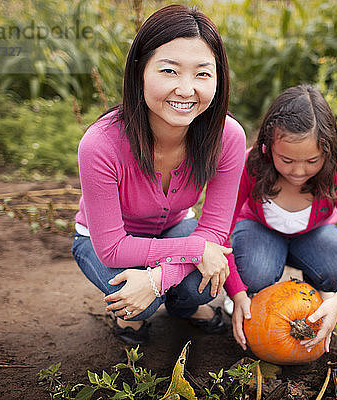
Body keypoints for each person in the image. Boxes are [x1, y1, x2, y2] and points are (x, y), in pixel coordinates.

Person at [71, 4, 247, 345]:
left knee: (195, 289)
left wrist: (157, 279)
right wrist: (196, 250)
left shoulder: (228, 137)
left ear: (219, 78)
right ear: (140, 70)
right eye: (169, 71)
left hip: (175, 228)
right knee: (139, 303)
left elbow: (213, 230)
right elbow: (112, 249)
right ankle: (132, 316)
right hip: (101, 241)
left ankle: (183, 306)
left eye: (202, 73)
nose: (186, 89)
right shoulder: (100, 144)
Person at [227, 85, 337, 354]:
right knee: (255, 271)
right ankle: (250, 297)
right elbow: (218, 234)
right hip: (258, 230)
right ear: (267, 147)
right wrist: (237, 292)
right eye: (286, 160)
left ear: (328, 152)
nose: (298, 171)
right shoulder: (249, 165)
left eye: (312, 161)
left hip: (313, 235)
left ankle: (317, 294)